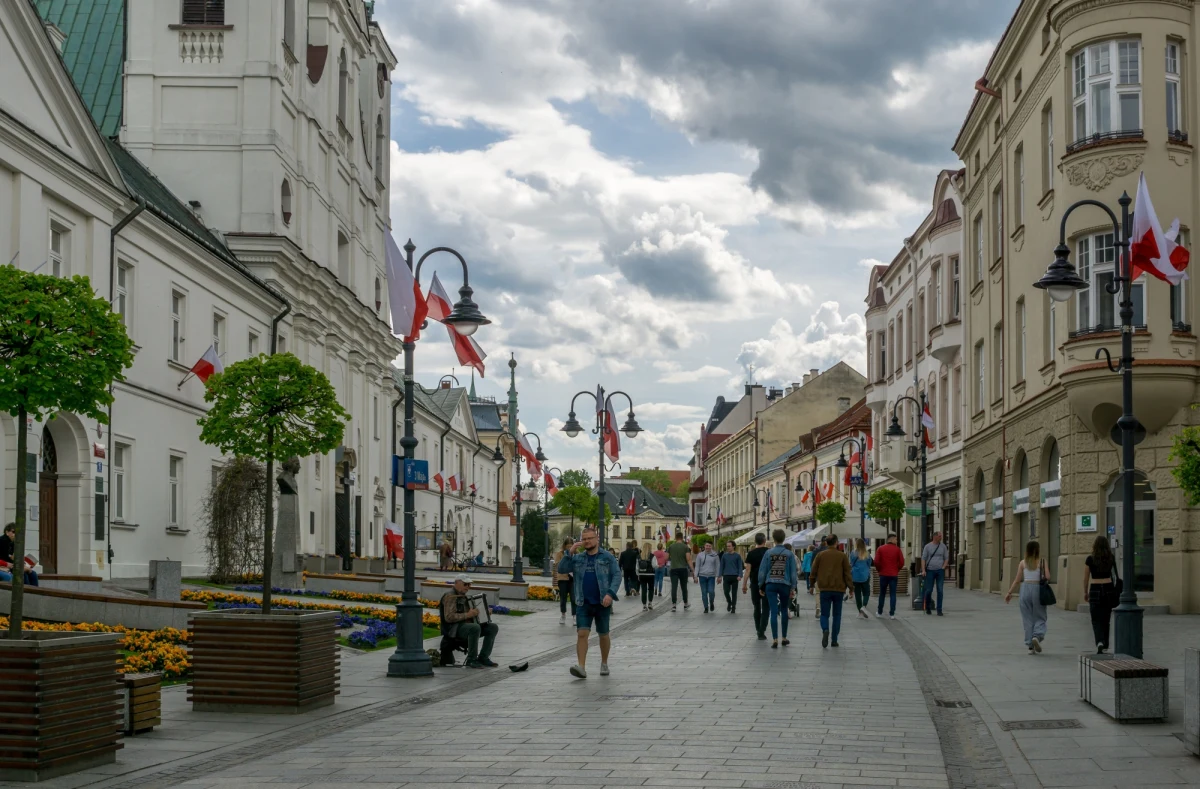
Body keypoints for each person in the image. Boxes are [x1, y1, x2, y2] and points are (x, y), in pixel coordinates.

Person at [569, 527, 622, 678]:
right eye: (584, 539)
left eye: (590, 538)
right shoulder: (578, 558)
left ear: (597, 538)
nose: (587, 541)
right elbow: (562, 568)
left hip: (602, 602)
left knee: (603, 634)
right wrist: (570, 552)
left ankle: (604, 663)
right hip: (583, 602)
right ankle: (581, 667)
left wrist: (610, 594)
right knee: (581, 634)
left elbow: (617, 575)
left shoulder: (607, 557)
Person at [439, 575, 499, 668]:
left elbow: (471, 614)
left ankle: (483, 657)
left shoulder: (463, 596)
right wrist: (468, 615)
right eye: (465, 584)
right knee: (474, 627)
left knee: (492, 627)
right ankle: (471, 659)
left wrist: (485, 612)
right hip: (453, 629)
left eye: (469, 584)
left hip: (465, 626)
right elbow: (449, 617)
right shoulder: (450, 596)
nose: (467, 587)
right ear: (456, 583)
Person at [1005, 540, 1051, 654]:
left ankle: (1030, 645)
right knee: (1040, 616)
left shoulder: (1022, 563)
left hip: (1025, 589)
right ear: (1038, 549)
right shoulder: (1042, 561)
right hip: (1037, 589)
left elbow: (1017, 580)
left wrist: (1009, 593)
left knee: (1027, 618)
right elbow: (1048, 577)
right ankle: (1037, 635)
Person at [757, 529, 798, 648]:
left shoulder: (768, 553)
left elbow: (762, 571)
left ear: (773, 539)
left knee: (773, 612)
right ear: (784, 538)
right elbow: (793, 573)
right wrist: (793, 587)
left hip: (771, 584)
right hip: (784, 584)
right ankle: (784, 637)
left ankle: (774, 639)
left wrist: (761, 585)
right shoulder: (789, 554)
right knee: (784, 610)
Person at [811, 534, 853, 648]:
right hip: (839, 589)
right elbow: (847, 573)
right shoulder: (842, 556)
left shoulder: (820, 555)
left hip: (824, 588)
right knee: (837, 615)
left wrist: (811, 585)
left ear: (826, 543)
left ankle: (825, 629)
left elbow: (813, 571)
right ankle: (834, 640)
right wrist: (851, 588)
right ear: (836, 542)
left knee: (824, 614)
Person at [1082, 535, 1117, 653]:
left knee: (1096, 619)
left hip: (1095, 589)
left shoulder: (1090, 559)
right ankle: (1106, 644)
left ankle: (1099, 641)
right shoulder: (1111, 557)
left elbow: (1086, 578)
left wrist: (1085, 592)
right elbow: (1115, 576)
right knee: (1106, 619)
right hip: (1108, 588)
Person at [742, 532, 770, 640]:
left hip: (754, 583)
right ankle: (762, 630)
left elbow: (748, 570)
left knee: (756, 606)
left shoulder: (751, 553)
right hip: (767, 583)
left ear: (755, 541)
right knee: (766, 607)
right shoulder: (769, 552)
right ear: (764, 541)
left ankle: (758, 628)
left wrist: (744, 584)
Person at [874, 534, 904, 619]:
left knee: (882, 594)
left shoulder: (880, 548)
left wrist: (879, 569)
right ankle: (892, 613)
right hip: (893, 575)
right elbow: (902, 562)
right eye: (896, 539)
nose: (897, 541)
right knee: (893, 594)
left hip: (883, 574)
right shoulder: (897, 550)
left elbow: (876, 561)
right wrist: (896, 569)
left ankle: (879, 612)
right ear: (892, 539)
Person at [920, 531, 949, 616]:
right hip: (930, 571)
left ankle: (939, 609)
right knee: (928, 590)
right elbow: (923, 558)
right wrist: (923, 570)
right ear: (935, 537)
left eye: (941, 536)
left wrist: (943, 567)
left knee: (940, 590)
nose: (941, 537)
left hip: (940, 571)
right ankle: (928, 607)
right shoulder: (928, 546)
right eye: (940, 536)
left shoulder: (943, 546)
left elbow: (946, 558)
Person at [667, 532, 694, 612]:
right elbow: (688, 559)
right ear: (682, 538)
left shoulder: (671, 546)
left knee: (674, 587)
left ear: (675, 538)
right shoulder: (685, 547)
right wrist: (693, 570)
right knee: (684, 587)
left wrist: (672, 559)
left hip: (673, 568)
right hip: (683, 569)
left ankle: (674, 605)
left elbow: (666, 557)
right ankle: (685, 604)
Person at [553, 537, 576, 625]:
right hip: (563, 578)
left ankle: (574, 616)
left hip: (573, 579)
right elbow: (557, 566)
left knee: (574, 598)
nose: (569, 548)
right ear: (565, 546)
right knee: (563, 598)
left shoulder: (576, 554)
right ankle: (563, 615)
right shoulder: (560, 554)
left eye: (571, 546)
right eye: (568, 546)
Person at [849, 538, 873, 619]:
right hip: (865, 575)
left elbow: (851, 563)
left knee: (858, 594)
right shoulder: (867, 553)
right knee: (866, 592)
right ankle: (864, 606)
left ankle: (860, 612)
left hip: (855, 575)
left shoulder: (853, 553)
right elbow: (869, 564)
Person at [694, 541, 720, 613]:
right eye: (706, 546)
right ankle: (706, 607)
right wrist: (695, 576)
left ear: (711, 547)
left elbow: (718, 566)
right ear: (704, 547)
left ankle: (711, 602)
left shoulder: (715, 555)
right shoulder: (700, 555)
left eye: (709, 546)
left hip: (711, 576)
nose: (708, 547)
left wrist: (718, 576)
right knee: (704, 592)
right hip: (702, 576)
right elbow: (697, 566)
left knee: (711, 591)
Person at [719, 541, 744, 613]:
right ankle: (729, 602)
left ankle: (733, 606)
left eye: (729, 546)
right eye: (727, 546)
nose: (728, 548)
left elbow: (740, 566)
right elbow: (721, 566)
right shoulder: (724, 555)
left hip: (735, 576)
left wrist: (740, 575)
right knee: (726, 591)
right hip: (726, 576)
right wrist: (719, 575)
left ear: (733, 546)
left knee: (734, 593)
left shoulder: (737, 556)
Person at [637, 545, 658, 611]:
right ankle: (650, 603)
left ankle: (644, 605)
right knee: (651, 589)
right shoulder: (652, 556)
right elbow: (654, 565)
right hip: (650, 574)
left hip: (642, 575)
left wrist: (638, 574)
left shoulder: (639, 556)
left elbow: (637, 567)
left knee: (643, 590)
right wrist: (657, 566)